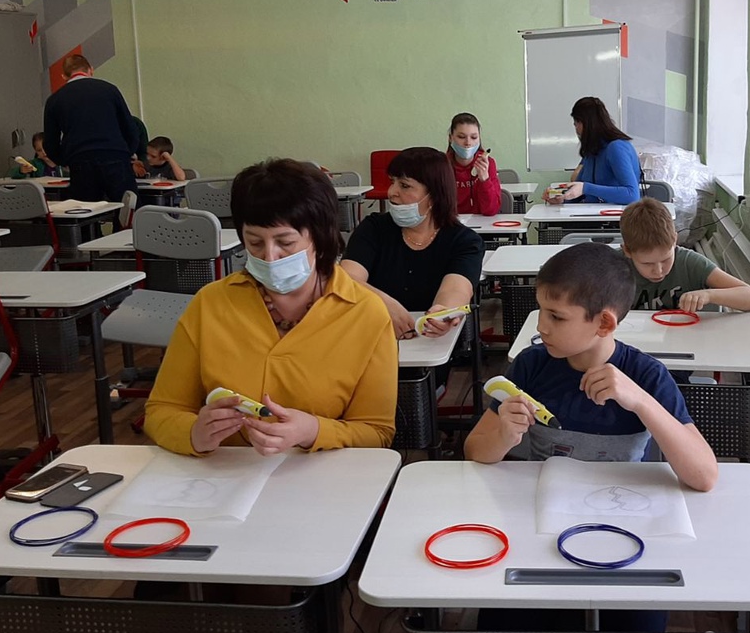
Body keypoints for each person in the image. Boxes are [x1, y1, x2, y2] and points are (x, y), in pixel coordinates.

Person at [464, 242, 716, 633]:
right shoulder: (531, 365)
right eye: (541, 310)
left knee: (638, 630)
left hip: (624, 530)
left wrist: (641, 402)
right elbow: (475, 450)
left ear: (604, 324)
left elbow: (704, 475)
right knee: (502, 624)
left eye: (556, 316)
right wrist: (503, 435)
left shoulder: (646, 375)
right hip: (540, 527)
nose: (541, 326)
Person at [144, 159, 397, 456]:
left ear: (320, 237)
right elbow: (162, 410)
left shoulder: (365, 312)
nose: (270, 257)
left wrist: (313, 431)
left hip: (319, 474)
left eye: (285, 242)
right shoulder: (211, 303)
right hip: (224, 474)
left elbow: (377, 432)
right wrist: (194, 433)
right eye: (255, 243)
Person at [342, 147, 484, 340]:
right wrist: (382, 304)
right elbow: (347, 280)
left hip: (429, 344)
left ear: (434, 195)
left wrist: (442, 313)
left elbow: (456, 289)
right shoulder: (373, 228)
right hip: (372, 338)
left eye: (405, 186)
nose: (392, 192)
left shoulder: (465, 241)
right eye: (392, 182)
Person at [619, 198, 750, 312]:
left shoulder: (688, 262)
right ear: (627, 251)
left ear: (675, 241)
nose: (658, 270)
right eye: (647, 263)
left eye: (666, 259)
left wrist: (709, 295)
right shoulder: (614, 267)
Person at [42, 54, 138, 203]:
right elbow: (130, 127)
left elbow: (50, 142)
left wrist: (64, 160)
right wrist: (128, 152)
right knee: (127, 208)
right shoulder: (109, 90)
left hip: (80, 160)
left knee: (87, 210)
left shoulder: (55, 99)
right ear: (91, 70)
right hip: (114, 156)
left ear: (64, 76)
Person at [543, 96, 642, 205]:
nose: (576, 130)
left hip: (615, 215)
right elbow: (580, 192)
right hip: (593, 213)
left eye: (577, 123)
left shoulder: (616, 148)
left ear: (587, 123)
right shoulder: (592, 151)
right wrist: (562, 199)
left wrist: (586, 188)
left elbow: (632, 195)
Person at [445, 112, 501, 215]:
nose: (468, 143)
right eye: (461, 137)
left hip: (481, 223)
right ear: (450, 138)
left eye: (474, 137)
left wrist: (484, 180)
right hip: (452, 222)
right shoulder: (442, 164)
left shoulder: (488, 163)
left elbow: (491, 210)